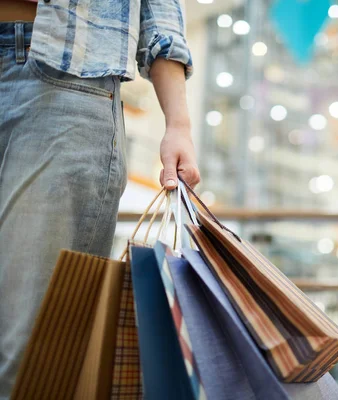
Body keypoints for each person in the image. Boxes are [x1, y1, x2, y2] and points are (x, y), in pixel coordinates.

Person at [0, 1, 201, 396]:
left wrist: (178, 123)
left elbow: (160, 14)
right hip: (58, 86)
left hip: (63, 76)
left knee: (25, 355)